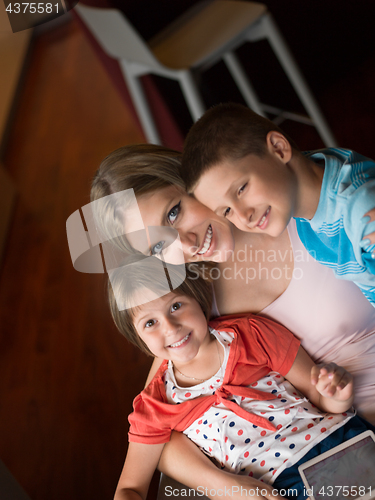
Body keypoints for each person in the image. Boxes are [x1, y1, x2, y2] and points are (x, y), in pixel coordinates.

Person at [90, 144, 375, 424]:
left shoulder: (283, 194)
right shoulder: (192, 305)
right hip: (344, 440)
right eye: (158, 246)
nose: (188, 243)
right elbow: (153, 422)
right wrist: (224, 475)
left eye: (174, 212)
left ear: (190, 180)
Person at [107, 257, 373, 500]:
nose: (170, 327)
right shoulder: (155, 405)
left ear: (198, 299)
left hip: (341, 440)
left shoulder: (250, 333)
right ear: (137, 337)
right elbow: (130, 488)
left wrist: (337, 395)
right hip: (277, 487)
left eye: (176, 306)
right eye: (150, 323)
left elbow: (321, 401)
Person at [181, 103, 375, 307]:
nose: (243, 215)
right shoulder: (312, 182)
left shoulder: (361, 213)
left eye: (241, 189)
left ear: (279, 149)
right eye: (227, 211)